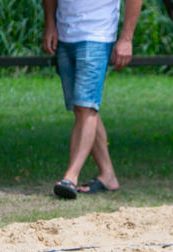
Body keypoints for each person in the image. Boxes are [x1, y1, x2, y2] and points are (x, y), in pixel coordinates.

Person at [42, 0, 141, 199]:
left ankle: (70, 177)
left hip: (97, 36)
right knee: (83, 109)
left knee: (86, 107)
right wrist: (50, 25)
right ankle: (108, 176)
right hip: (65, 35)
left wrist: (126, 38)